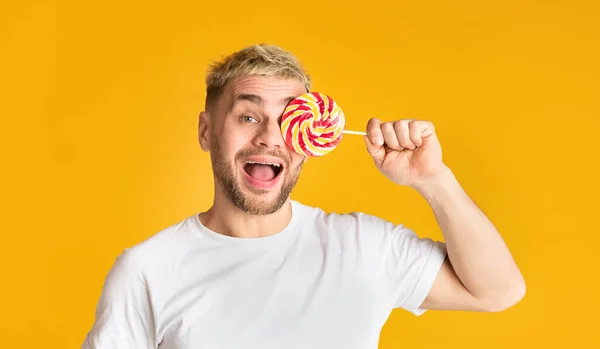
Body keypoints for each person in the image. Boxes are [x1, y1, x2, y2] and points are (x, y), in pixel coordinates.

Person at [82, 44, 525, 349]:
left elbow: (498, 291)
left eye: (286, 117)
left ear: (311, 136)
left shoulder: (364, 248)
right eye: (248, 115)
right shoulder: (147, 270)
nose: (270, 138)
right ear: (205, 130)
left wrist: (433, 179)